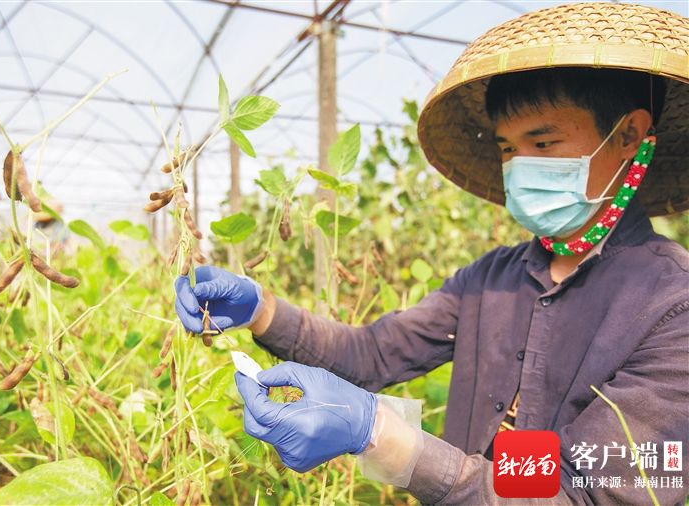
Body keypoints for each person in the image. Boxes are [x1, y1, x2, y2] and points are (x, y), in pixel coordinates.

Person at [174, 3, 688, 504]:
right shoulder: (492, 279)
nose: (519, 167)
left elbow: (583, 492)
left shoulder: (671, 306)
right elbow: (373, 353)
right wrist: (262, 310)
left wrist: (385, 436)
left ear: (627, 135)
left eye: (543, 143)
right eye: (508, 149)